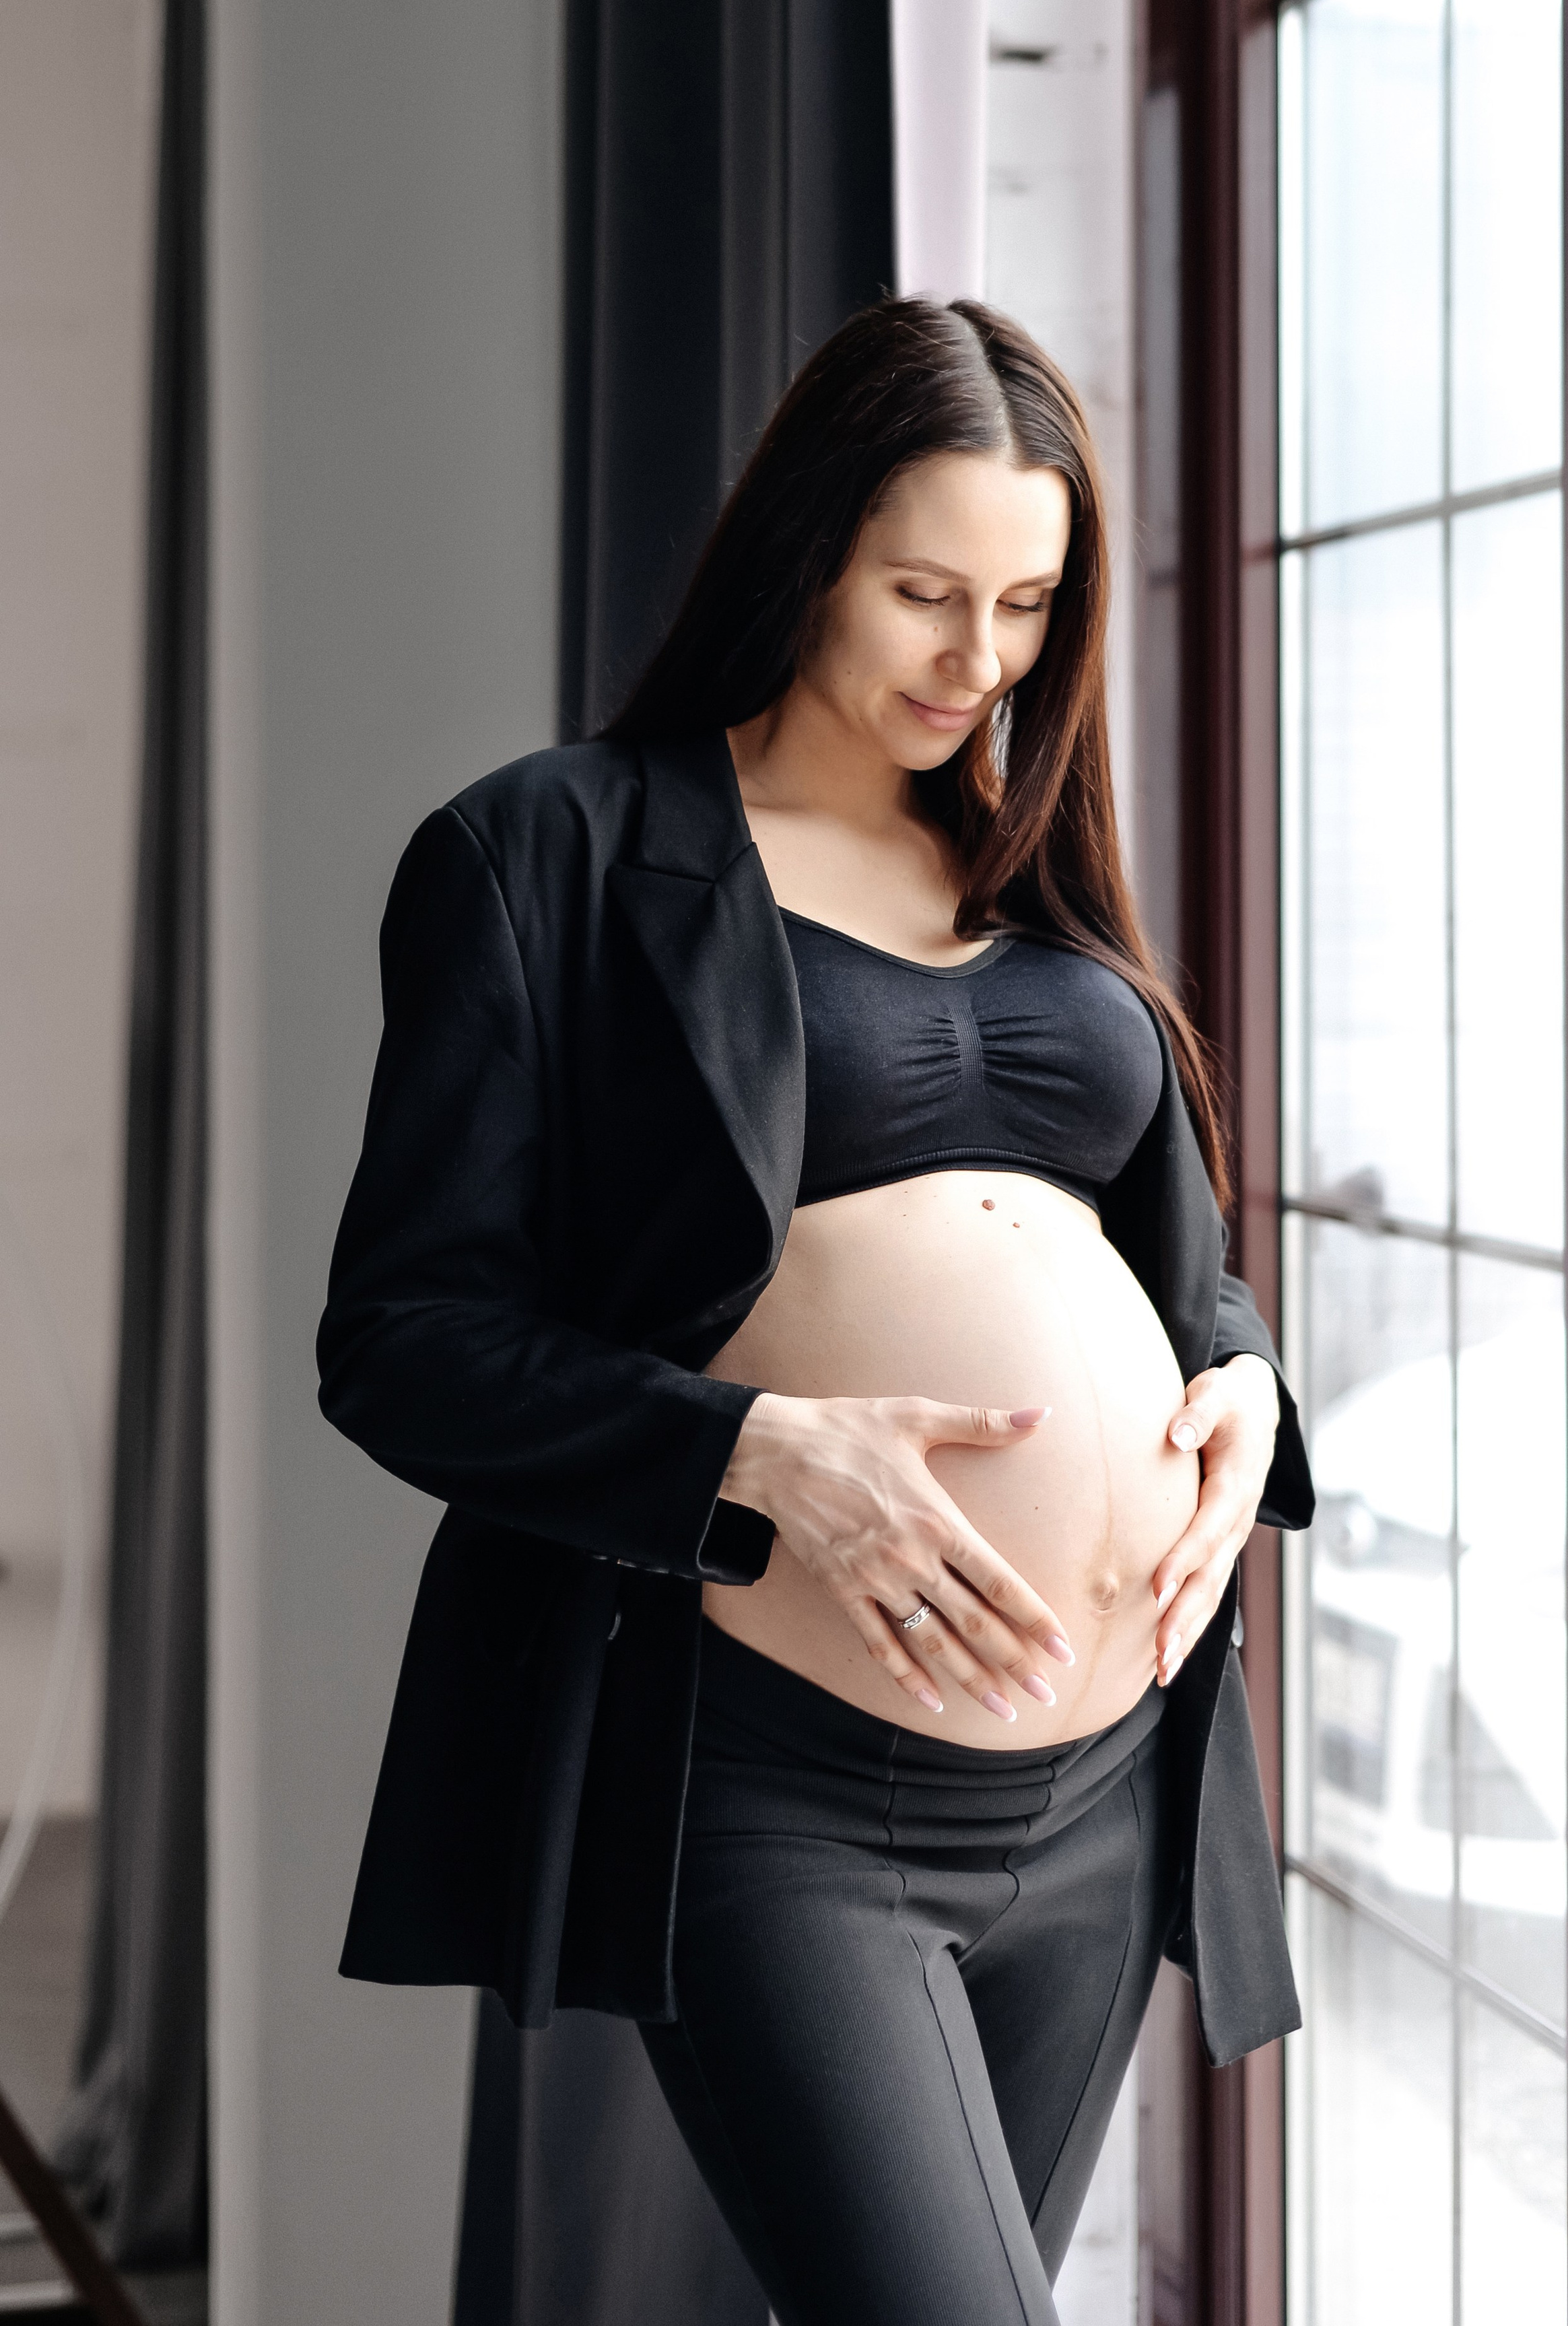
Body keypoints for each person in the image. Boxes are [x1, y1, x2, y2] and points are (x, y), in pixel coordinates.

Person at [318, 298, 1314, 2326]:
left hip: (1105, 1794)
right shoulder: (550, 858)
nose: (980, 663)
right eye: (925, 592)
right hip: (782, 1787)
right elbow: (402, 1331)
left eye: (1028, 603)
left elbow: (1183, 1277)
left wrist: (1242, 1394)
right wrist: (759, 1447)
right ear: (805, 556)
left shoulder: (1043, 869)